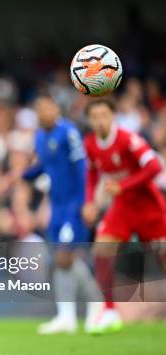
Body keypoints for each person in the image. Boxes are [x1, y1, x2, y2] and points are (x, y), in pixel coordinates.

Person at [18, 95, 102, 335]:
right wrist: (22, 176)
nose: (46, 112)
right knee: (59, 258)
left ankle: (96, 304)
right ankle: (67, 316)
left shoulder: (69, 132)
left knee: (65, 256)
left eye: (49, 107)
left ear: (56, 109)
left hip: (74, 204)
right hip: (56, 205)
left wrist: (87, 202)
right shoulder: (40, 136)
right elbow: (44, 166)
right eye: (41, 108)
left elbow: (82, 167)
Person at [82, 99, 166, 334]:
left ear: (113, 116)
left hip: (148, 206)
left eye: (105, 115)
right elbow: (91, 174)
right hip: (122, 207)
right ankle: (109, 311)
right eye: (95, 116)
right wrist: (89, 202)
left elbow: (155, 167)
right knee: (102, 249)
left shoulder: (128, 139)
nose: (100, 120)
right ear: (89, 120)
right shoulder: (89, 144)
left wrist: (125, 185)